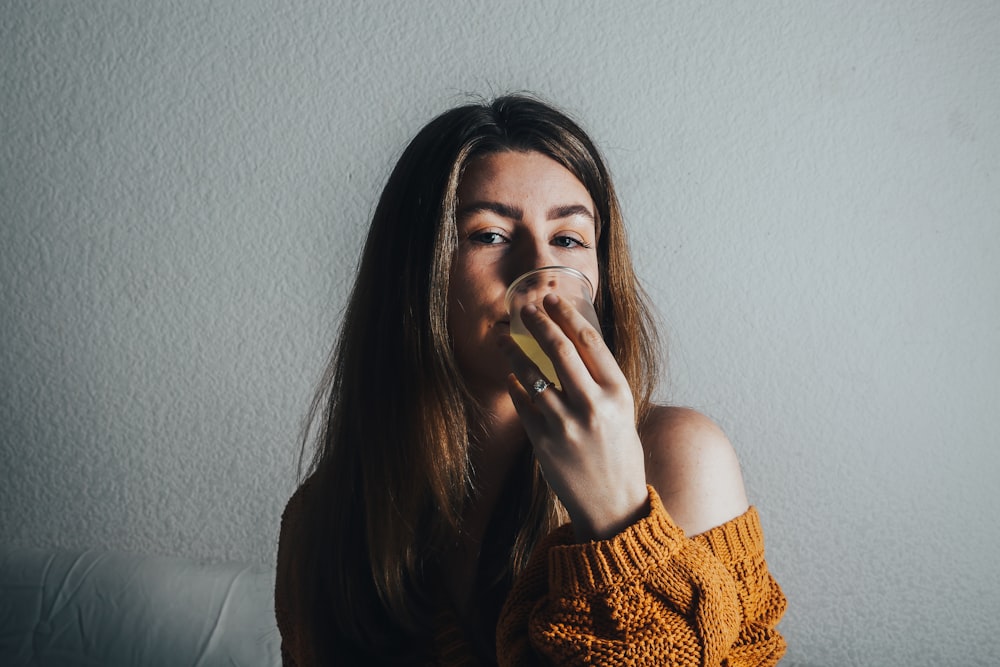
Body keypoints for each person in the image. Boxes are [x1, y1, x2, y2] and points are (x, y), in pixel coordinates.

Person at [275, 94, 787, 666]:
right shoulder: (323, 520)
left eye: (568, 239)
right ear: (415, 273)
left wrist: (617, 520)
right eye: (489, 236)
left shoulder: (677, 459)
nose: (538, 272)